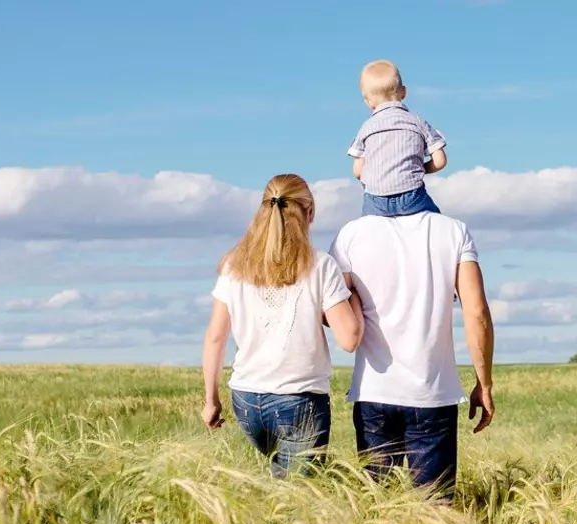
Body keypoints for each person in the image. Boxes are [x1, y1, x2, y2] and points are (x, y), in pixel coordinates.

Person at [200, 174, 364, 478]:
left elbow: (215, 337)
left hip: (245, 401)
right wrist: (351, 290)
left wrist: (211, 401)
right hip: (299, 401)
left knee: (280, 484)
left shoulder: (234, 265)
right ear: (310, 213)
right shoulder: (322, 266)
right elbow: (350, 338)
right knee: (299, 501)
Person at [328, 208, 495, 500]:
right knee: (436, 511)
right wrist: (484, 383)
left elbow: (332, 310)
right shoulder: (453, 230)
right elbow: (476, 312)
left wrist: (357, 301)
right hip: (433, 394)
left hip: (373, 393)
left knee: (376, 510)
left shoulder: (351, 234)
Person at [348, 59, 448, 217]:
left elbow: (358, 171)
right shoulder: (417, 121)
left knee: (369, 226)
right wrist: (419, 168)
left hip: (376, 199)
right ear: (403, 92)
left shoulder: (367, 127)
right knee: (436, 221)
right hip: (412, 195)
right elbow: (440, 160)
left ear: (368, 102)